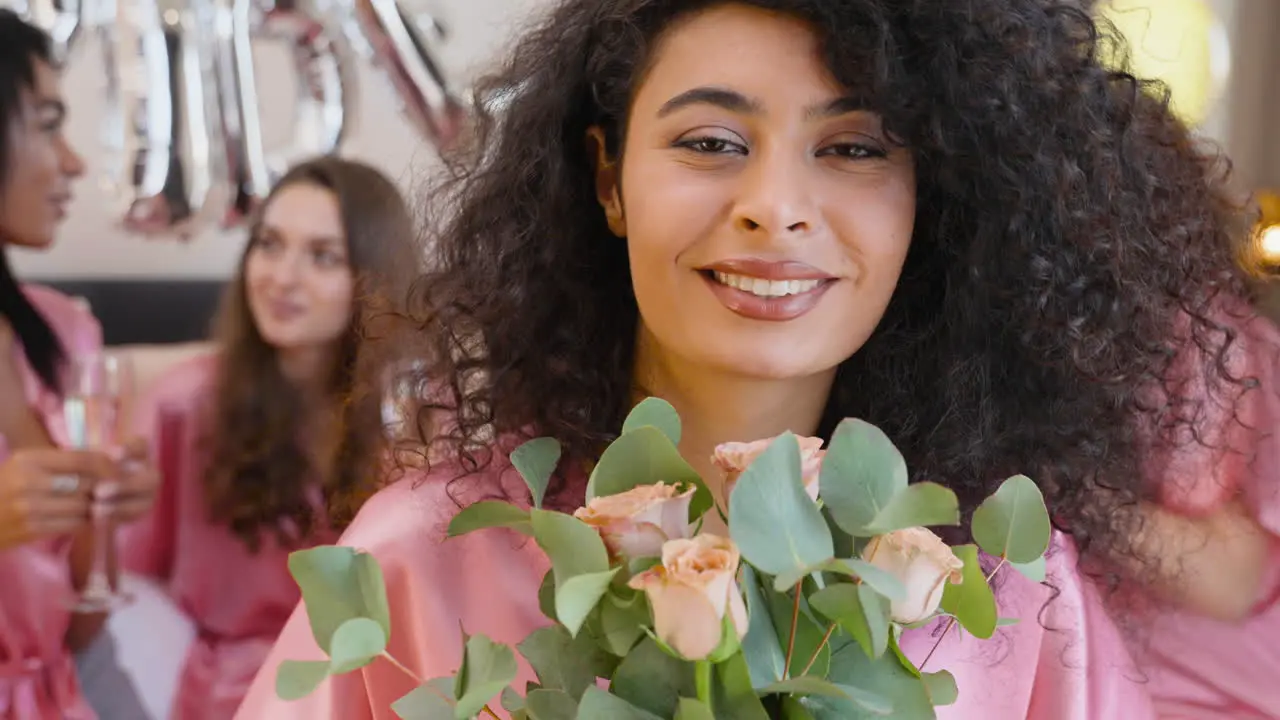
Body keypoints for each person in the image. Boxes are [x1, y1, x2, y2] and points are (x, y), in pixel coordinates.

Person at [236, 1, 1276, 717]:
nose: (773, 206)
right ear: (606, 181)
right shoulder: (425, 558)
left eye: (855, 148)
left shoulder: (1002, 585)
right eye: (710, 144)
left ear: (934, 202)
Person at [118, 156, 419, 720]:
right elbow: (128, 584)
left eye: (322, 256)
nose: (281, 277)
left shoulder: (412, 418)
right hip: (220, 694)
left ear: (375, 280)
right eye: (269, 244)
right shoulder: (182, 404)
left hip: (373, 688)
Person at [0, 9, 156, 718]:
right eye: (48, 123)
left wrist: (104, 512)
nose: (73, 161)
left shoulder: (64, 333)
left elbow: (84, 625)